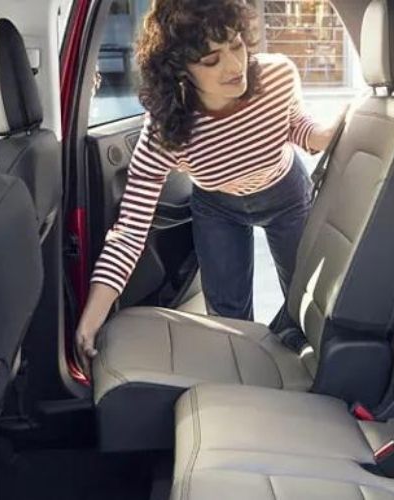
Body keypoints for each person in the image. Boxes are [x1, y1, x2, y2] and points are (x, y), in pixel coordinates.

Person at [76, 0, 342, 359]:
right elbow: (130, 230)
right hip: (218, 207)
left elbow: (295, 125)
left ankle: (293, 350)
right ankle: (246, 381)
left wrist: (325, 135)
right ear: (181, 70)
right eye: (210, 60)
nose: (234, 65)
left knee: (305, 300)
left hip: (286, 193)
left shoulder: (277, 75)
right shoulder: (166, 129)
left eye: (236, 45)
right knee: (228, 320)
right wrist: (92, 319)